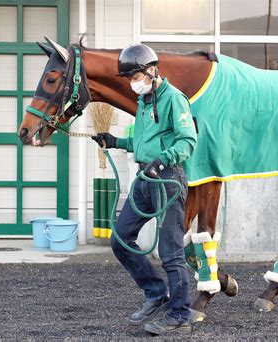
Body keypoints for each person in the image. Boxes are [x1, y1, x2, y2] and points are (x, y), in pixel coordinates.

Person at [91, 44, 197, 336]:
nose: (132, 82)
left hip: (167, 180)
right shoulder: (144, 102)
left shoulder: (174, 99)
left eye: (135, 75)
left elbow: (187, 141)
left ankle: (180, 314)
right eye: (129, 77)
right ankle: (155, 293)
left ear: (152, 71)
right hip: (145, 180)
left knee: (171, 253)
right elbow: (144, 142)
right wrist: (115, 142)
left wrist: (162, 161)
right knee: (120, 239)